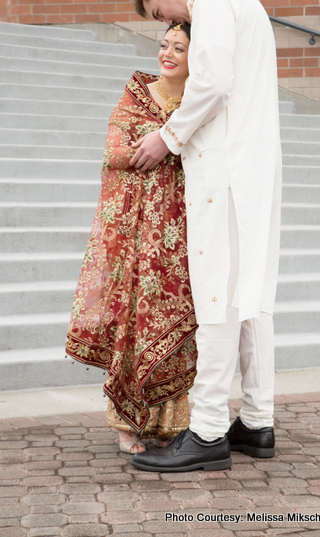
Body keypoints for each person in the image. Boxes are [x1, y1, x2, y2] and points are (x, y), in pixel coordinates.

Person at [129, 0, 282, 473]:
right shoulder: (243, 0)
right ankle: (258, 422)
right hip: (252, 166)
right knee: (251, 297)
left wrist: (167, 136)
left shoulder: (213, 1)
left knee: (216, 293)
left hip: (225, 169)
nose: (168, 22)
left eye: (158, 10)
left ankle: (209, 429)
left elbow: (212, 83)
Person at [66, 23, 198, 454]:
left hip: (181, 234)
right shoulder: (136, 96)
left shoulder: (199, 103)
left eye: (179, 48)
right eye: (164, 45)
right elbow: (113, 152)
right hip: (134, 235)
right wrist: (158, 146)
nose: (168, 53)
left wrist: (173, 144)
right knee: (131, 322)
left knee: (174, 319)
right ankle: (124, 422)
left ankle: (170, 421)